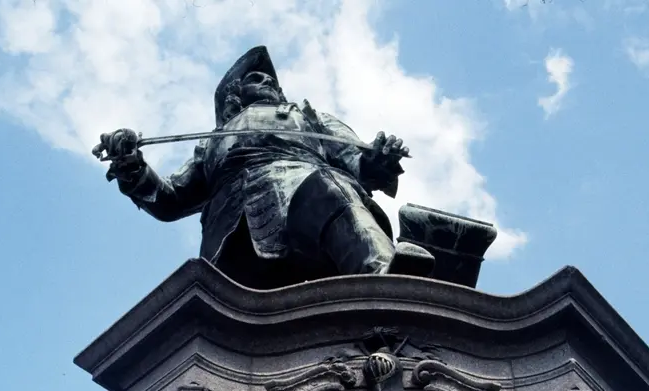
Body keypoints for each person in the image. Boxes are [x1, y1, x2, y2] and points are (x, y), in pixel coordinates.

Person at [94, 45, 435, 288]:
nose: (269, 81)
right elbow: (169, 198)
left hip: (307, 195)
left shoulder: (309, 117)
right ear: (234, 94)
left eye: (272, 79)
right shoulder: (210, 143)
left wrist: (379, 158)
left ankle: (385, 280)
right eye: (257, 78)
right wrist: (130, 163)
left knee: (329, 190)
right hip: (232, 229)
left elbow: (356, 160)